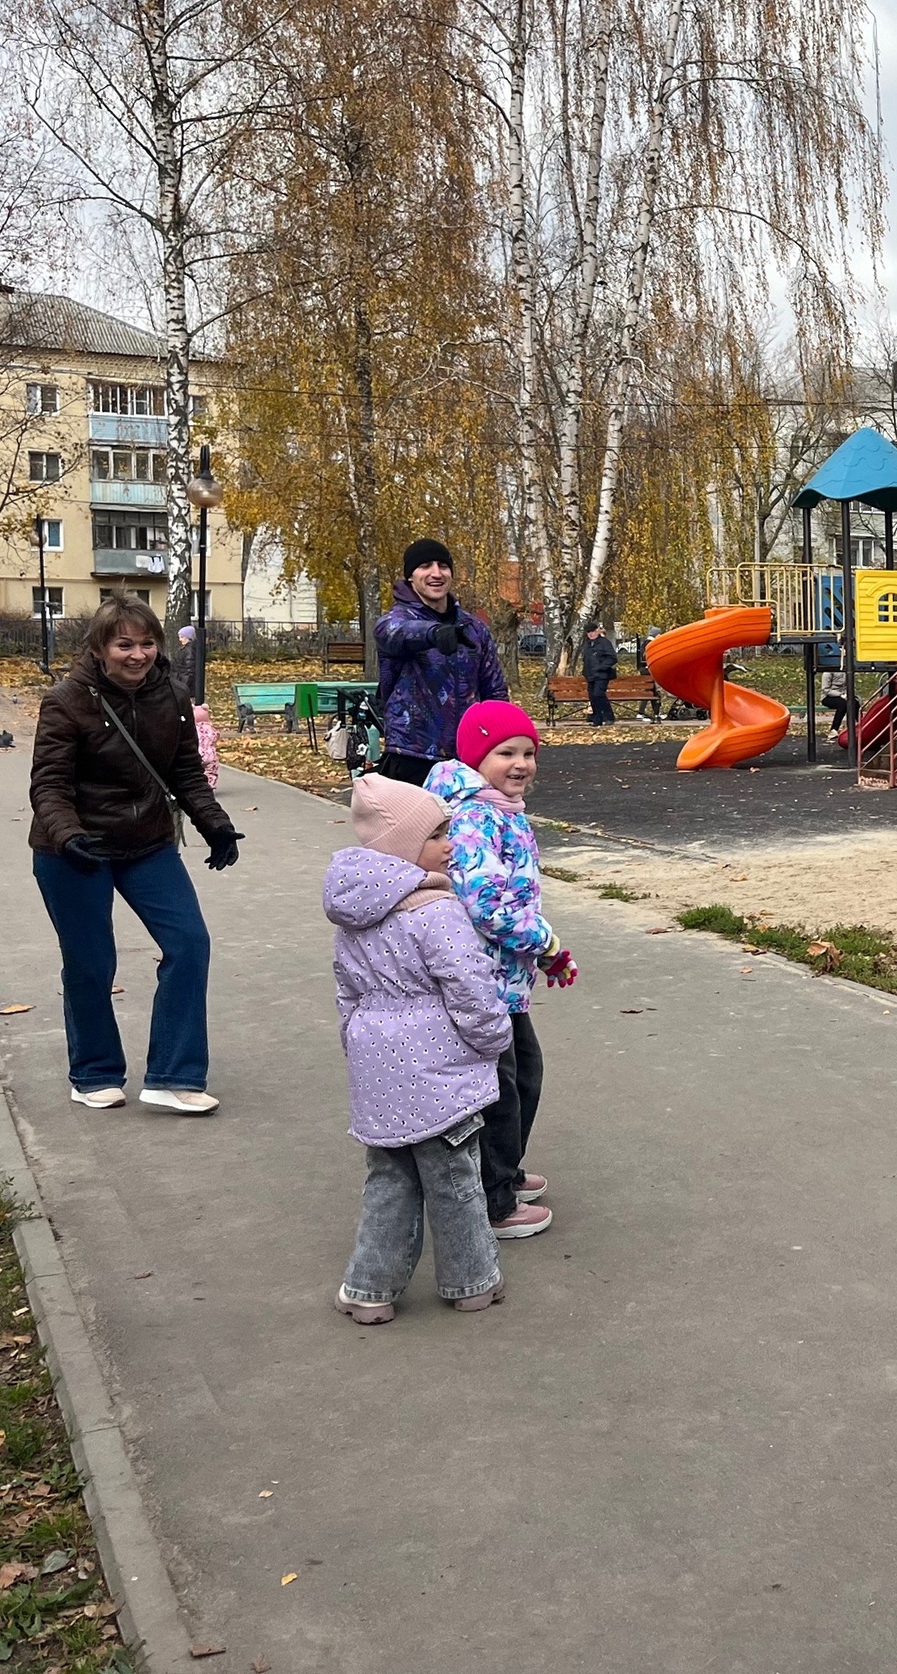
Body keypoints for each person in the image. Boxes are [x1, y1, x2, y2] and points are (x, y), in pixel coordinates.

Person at [28, 596, 243, 1115]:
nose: (138, 654)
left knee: (189, 942)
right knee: (90, 962)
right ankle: (94, 1072)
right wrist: (67, 833)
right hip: (73, 850)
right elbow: (49, 784)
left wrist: (216, 826)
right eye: (125, 644)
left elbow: (186, 773)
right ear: (100, 648)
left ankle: (173, 1075)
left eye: (147, 643)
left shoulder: (171, 696)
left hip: (146, 844)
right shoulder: (66, 700)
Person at [327, 775, 510, 1323]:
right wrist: (492, 1039)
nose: (450, 843)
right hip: (440, 1069)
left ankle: (368, 1291)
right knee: (454, 1178)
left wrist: (357, 1042)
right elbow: (470, 986)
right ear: (404, 846)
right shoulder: (435, 910)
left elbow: (346, 991)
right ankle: (471, 1281)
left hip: (377, 1064)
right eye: (437, 834)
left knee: (388, 1179)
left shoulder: (354, 915)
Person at [424, 701, 576, 1241]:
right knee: (500, 1089)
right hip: (481, 981)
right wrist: (545, 941)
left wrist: (540, 949)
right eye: (505, 752)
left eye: (529, 752)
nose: (521, 763)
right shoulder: (474, 818)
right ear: (475, 757)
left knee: (522, 1075)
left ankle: (503, 1173)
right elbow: (486, 904)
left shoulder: (501, 809)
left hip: (505, 978)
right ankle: (494, 1201)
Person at [372, 538, 508, 789]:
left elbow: (495, 690)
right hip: (412, 757)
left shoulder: (473, 627)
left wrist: (501, 739)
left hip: (468, 757)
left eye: (443, 566)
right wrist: (434, 633)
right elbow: (395, 632)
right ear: (410, 576)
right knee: (419, 829)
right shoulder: (394, 620)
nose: (436, 573)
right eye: (425, 566)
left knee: (469, 828)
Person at [581, 621, 617, 725]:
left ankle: (609, 716)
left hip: (602, 674)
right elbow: (586, 658)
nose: (590, 634)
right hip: (590, 675)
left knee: (598, 694)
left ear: (597, 631)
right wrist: (585, 671)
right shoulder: (587, 644)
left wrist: (601, 667)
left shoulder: (604, 643)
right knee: (592, 696)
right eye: (588, 632)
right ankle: (597, 719)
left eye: (592, 631)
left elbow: (612, 658)